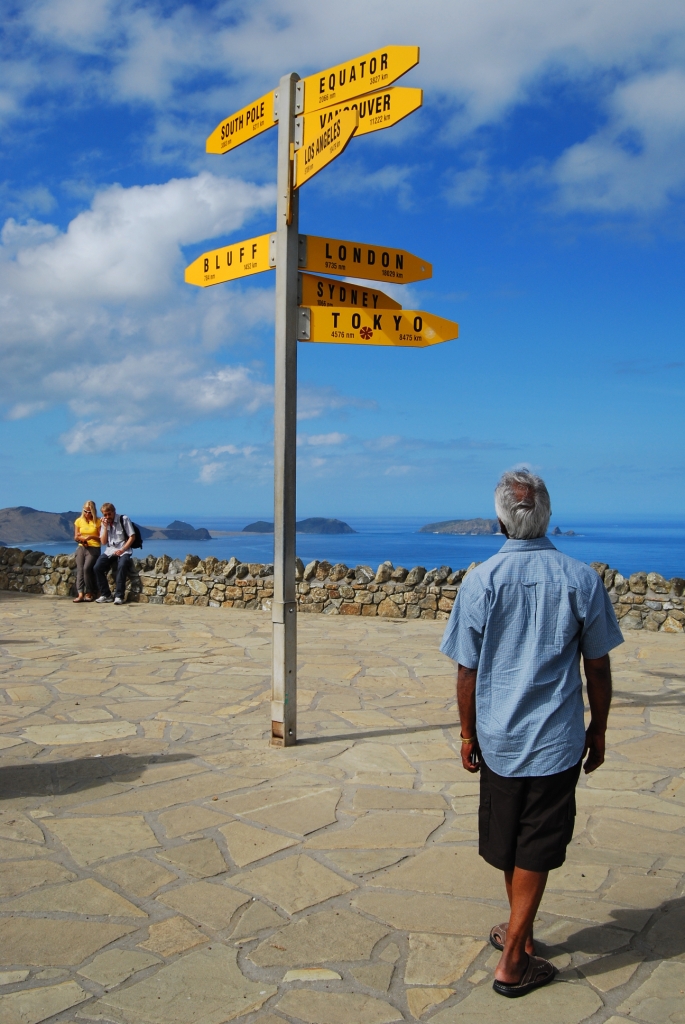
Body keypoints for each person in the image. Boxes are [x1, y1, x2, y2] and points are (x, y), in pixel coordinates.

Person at [440, 469, 622, 999]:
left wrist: (468, 734)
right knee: (534, 846)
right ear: (548, 516)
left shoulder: (481, 582)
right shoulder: (580, 579)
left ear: (500, 517)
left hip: (499, 740)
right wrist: (600, 729)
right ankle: (516, 953)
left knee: (515, 842)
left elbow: (466, 671)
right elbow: (599, 667)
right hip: (556, 741)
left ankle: (517, 941)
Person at [94, 503, 135, 605]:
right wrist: (104, 527)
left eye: (109, 514)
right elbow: (103, 542)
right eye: (105, 515)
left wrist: (123, 549)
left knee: (122, 566)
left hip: (123, 550)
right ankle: (106, 594)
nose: (108, 517)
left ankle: (119, 596)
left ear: (114, 512)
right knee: (97, 567)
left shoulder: (124, 519)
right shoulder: (104, 522)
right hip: (110, 550)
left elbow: (132, 536)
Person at [72, 500, 101, 603]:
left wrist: (91, 537)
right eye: (86, 511)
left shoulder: (98, 521)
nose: (87, 514)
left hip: (94, 547)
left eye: (90, 512)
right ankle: (80, 593)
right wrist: (80, 539)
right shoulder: (78, 521)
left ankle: (90, 591)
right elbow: (76, 536)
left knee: (87, 569)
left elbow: (101, 538)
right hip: (82, 547)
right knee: (80, 569)